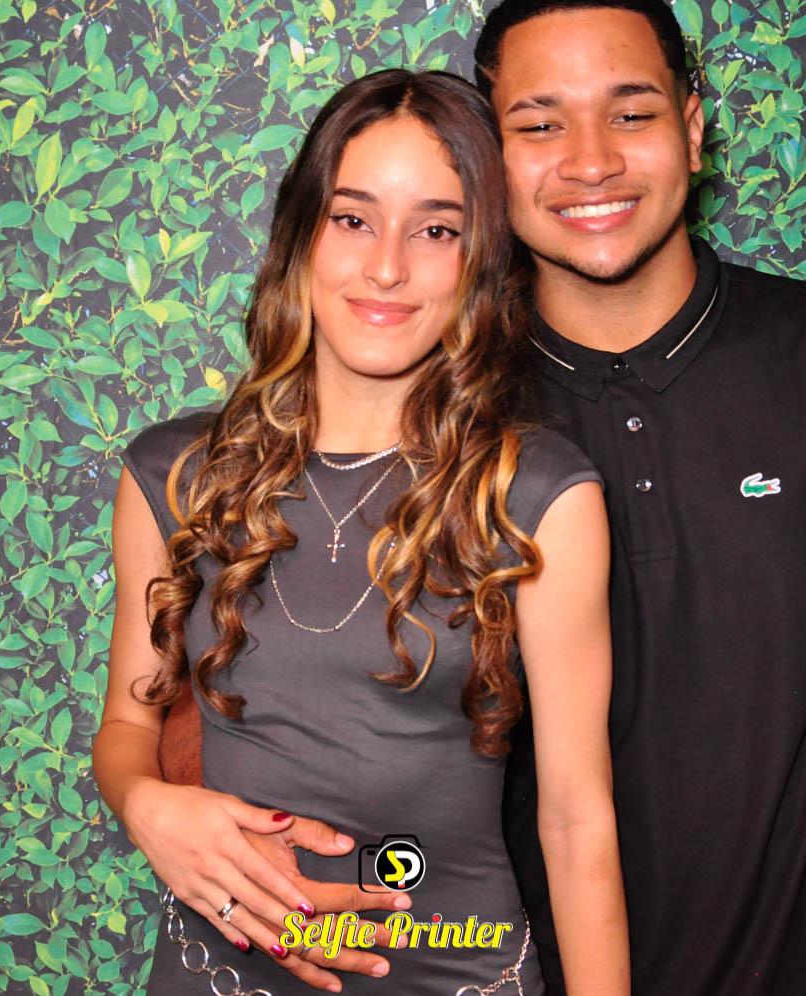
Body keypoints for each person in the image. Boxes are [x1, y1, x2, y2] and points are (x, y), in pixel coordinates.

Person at [154, 2, 806, 994]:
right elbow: (231, 677)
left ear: (693, 128)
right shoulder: (426, 407)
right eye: (540, 124)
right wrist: (199, 826)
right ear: (489, 164)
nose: (591, 162)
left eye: (631, 114)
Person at [93, 68, 629, 995]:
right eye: (352, 218)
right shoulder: (174, 474)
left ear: (480, 260)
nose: (387, 266)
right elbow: (126, 725)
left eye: (436, 230)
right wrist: (147, 806)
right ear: (301, 233)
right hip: (213, 973)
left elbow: (578, 821)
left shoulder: (536, 493)